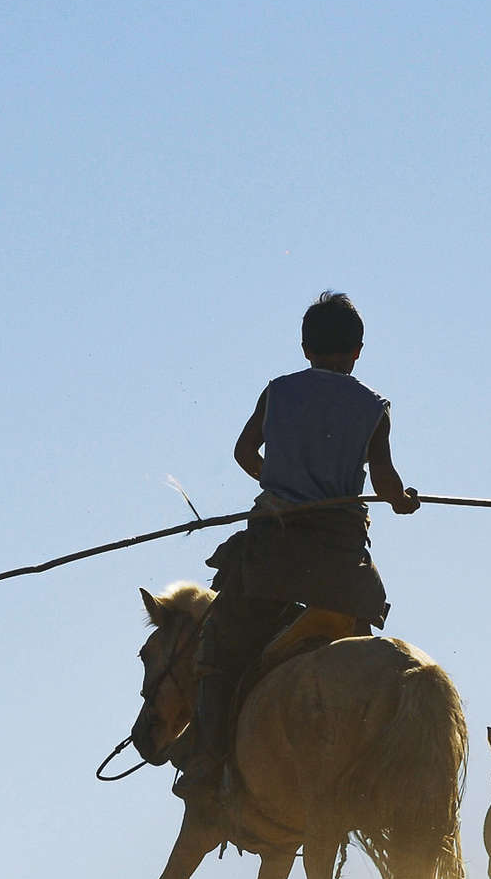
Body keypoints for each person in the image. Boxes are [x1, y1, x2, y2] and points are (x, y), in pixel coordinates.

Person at [174, 290, 421, 804]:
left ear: (305, 346)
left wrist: (280, 484)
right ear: (358, 350)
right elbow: (386, 480)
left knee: (220, 651)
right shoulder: (374, 408)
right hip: (342, 570)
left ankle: (208, 764)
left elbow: (244, 452)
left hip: (273, 558)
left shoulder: (278, 392)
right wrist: (402, 501)